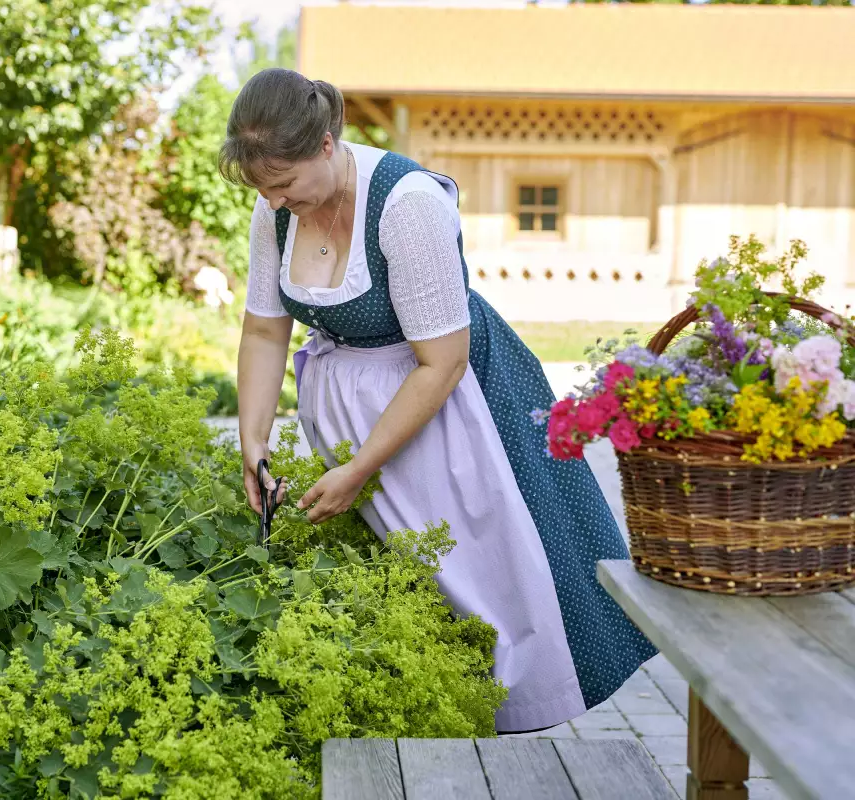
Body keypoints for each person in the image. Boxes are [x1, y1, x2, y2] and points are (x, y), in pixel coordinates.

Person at [219, 68, 657, 734]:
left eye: (284, 184)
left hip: (452, 411)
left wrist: (360, 468)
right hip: (359, 426)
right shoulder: (275, 209)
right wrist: (253, 441)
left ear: (327, 144)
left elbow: (441, 362)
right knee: (401, 587)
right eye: (263, 188)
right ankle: (424, 729)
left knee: (484, 576)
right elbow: (263, 330)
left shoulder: (407, 204)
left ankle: (505, 728)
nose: (275, 202)